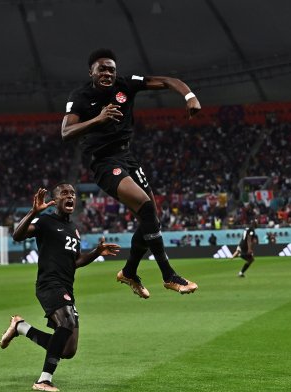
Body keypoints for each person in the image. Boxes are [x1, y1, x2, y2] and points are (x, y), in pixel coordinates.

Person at [61, 48, 200, 298]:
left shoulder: (126, 85)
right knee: (146, 208)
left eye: (111, 69)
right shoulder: (80, 96)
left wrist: (189, 96)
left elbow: (168, 81)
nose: (107, 73)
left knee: (151, 221)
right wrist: (98, 119)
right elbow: (66, 132)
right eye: (102, 69)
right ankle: (168, 275)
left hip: (128, 158)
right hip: (103, 162)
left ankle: (129, 272)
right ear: (91, 72)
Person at [0, 183, 120, 392]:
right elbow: (17, 236)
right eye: (64, 193)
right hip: (49, 283)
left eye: (72, 193)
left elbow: (76, 261)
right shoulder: (45, 221)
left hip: (66, 287)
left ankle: (21, 327)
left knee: (68, 348)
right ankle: (43, 380)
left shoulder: (73, 229)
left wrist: (97, 252)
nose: (70, 196)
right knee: (67, 321)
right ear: (55, 200)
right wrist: (33, 211)